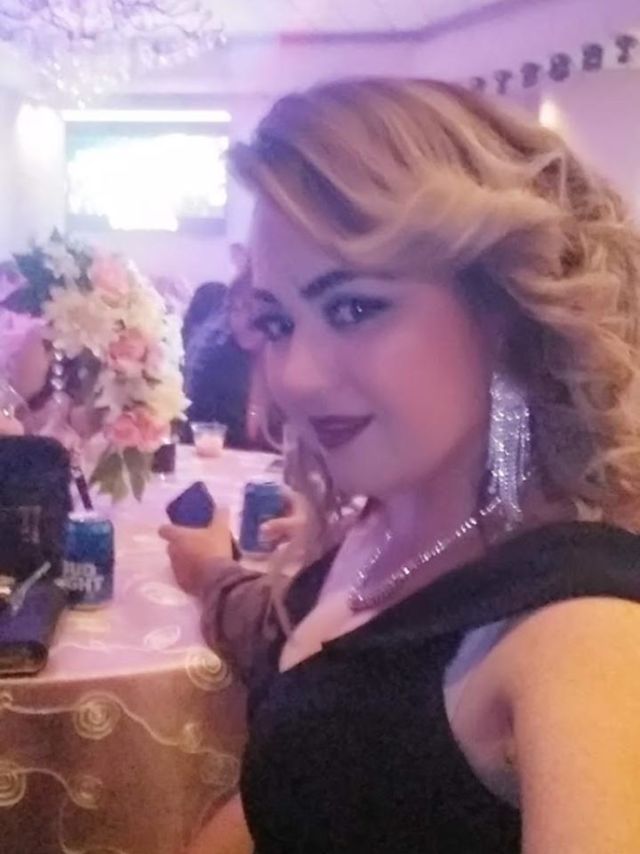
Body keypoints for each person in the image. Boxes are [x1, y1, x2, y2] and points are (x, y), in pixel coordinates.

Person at [162, 78, 640, 853]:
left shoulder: (578, 630)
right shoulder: (385, 524)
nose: (297, 377)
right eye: (278, 322)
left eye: (353, 307)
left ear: (501, 310)